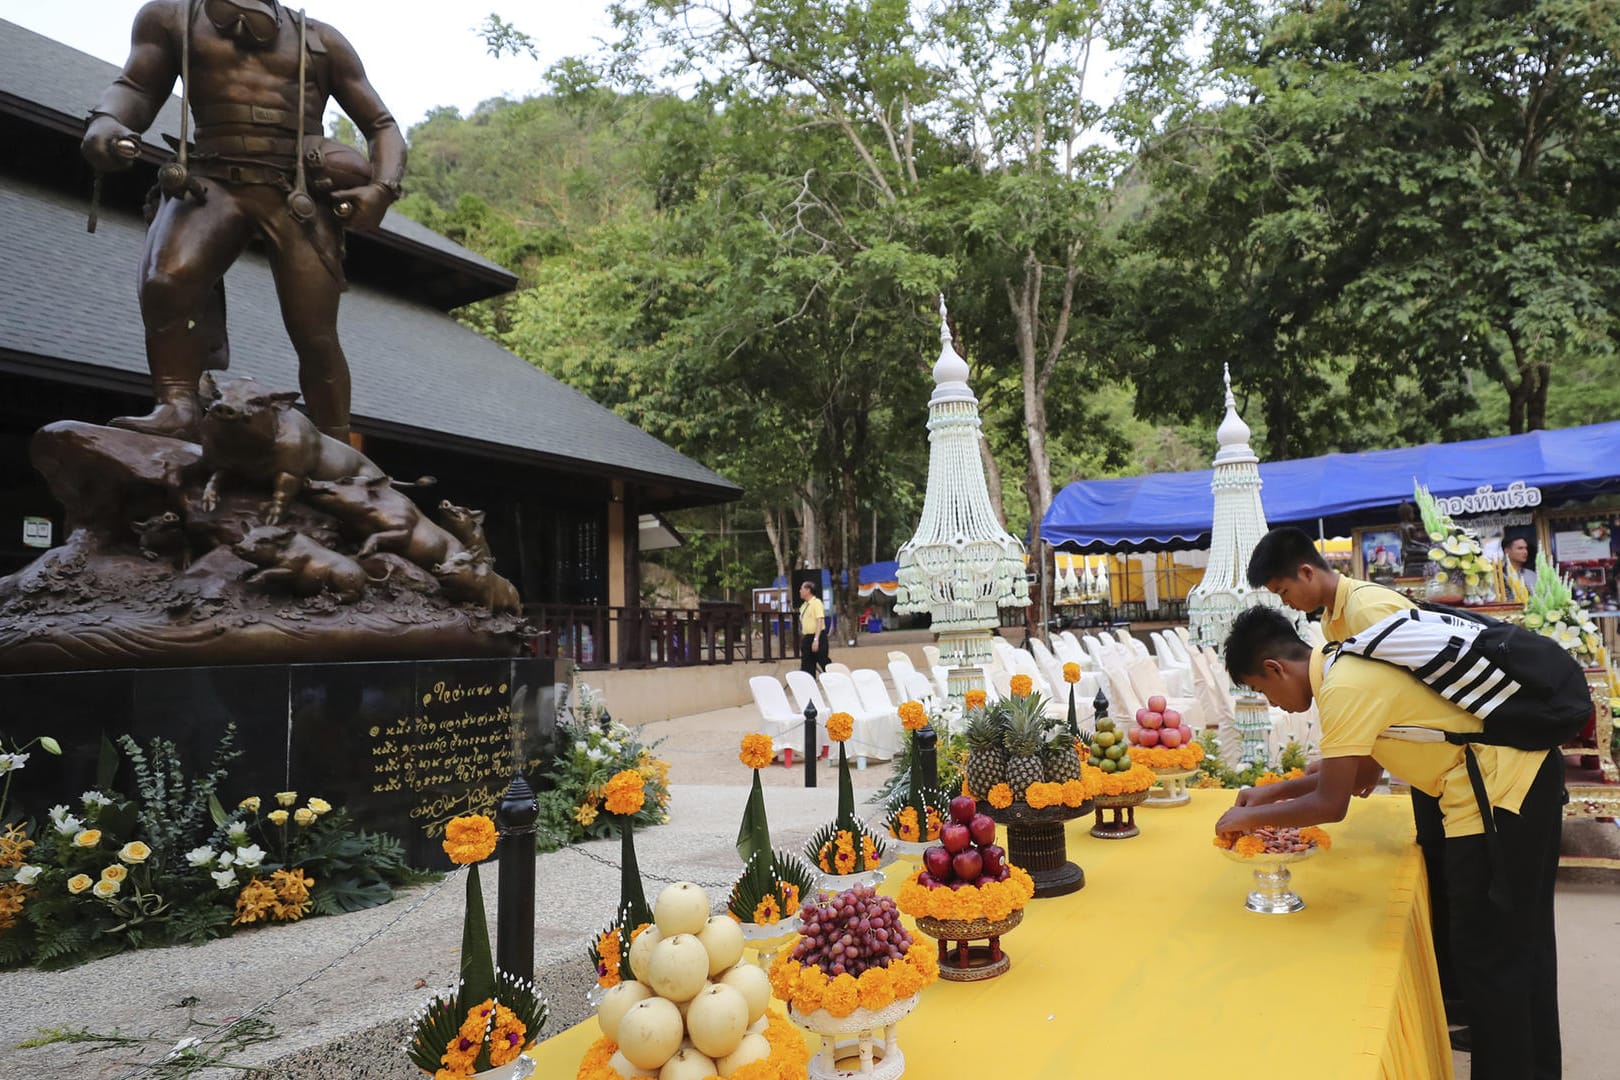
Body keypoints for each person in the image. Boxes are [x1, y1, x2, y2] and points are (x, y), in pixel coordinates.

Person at [1216, 607, 1563, 1080]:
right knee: (1509, 948)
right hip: (1513, 785)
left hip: (1499, 798)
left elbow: (1332, 804)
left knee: (1489, 959)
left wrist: (1248, 816)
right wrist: (1269, 794)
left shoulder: (1344, 686)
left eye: (1261, 689)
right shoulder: (1345, 663)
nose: (1270, 702)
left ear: (1276, 668)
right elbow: (1361, 775)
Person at [81, 0, 407, 441]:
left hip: (294, 191)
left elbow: (381, 124)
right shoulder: (172, 17)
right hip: (211, 178)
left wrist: (382, 188)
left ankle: (335, 442)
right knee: (165, 281)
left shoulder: (322, 40)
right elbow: (137, 86)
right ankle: (177, 403)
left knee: (314, 331)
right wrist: (107, 121)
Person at [1247, 527, 1470, 1042]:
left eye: (1284, 592)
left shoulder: (1368, 612)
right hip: (1437, 772)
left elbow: (1427, 695)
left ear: (1307, 572)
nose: (1288, 603)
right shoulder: (1333, 623)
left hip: (1469, 765)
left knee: (1479, 913)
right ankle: (1458, 1001)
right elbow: (1368, 751)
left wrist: (1262, 808)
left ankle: (1479, 1014)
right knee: (1451, 897)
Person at [798, 580, 825, 676]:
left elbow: (819, 621)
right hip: (807, 637)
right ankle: (809, 685)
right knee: (807, 664)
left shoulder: (816, 602)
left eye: (801, 589)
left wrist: (816, 639)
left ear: (808, 590)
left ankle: (836, 681)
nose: (800, 591)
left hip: (817, 636)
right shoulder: (804, 605)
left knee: (823, 660)